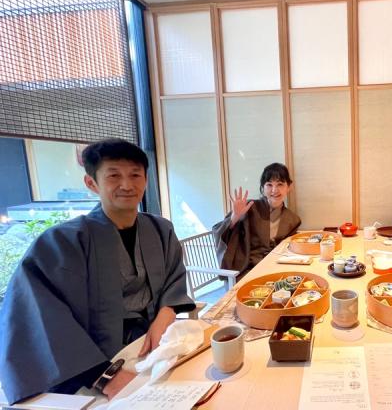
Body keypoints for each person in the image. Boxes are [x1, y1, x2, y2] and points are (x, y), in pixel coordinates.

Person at [0, 139, 194, 404]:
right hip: (92, 365)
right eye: (114, 176)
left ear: (146, 180)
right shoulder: (62, 242)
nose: (127, 185)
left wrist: (166, 312)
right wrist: (105, 376)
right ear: (92, 183)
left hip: (153, 344)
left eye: (135, 175)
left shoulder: (161, 229)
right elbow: (41, 317)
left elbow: (174, 277)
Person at [213, 163, 301, 276]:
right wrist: (235, 217)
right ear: (262, 188)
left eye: (280, 184)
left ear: (288, 187)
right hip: (246, 270)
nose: (274, 190)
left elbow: (288, 249)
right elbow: (218, 231)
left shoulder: (292, 219)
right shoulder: (249, 207)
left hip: (276, 267)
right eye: (269, 185)